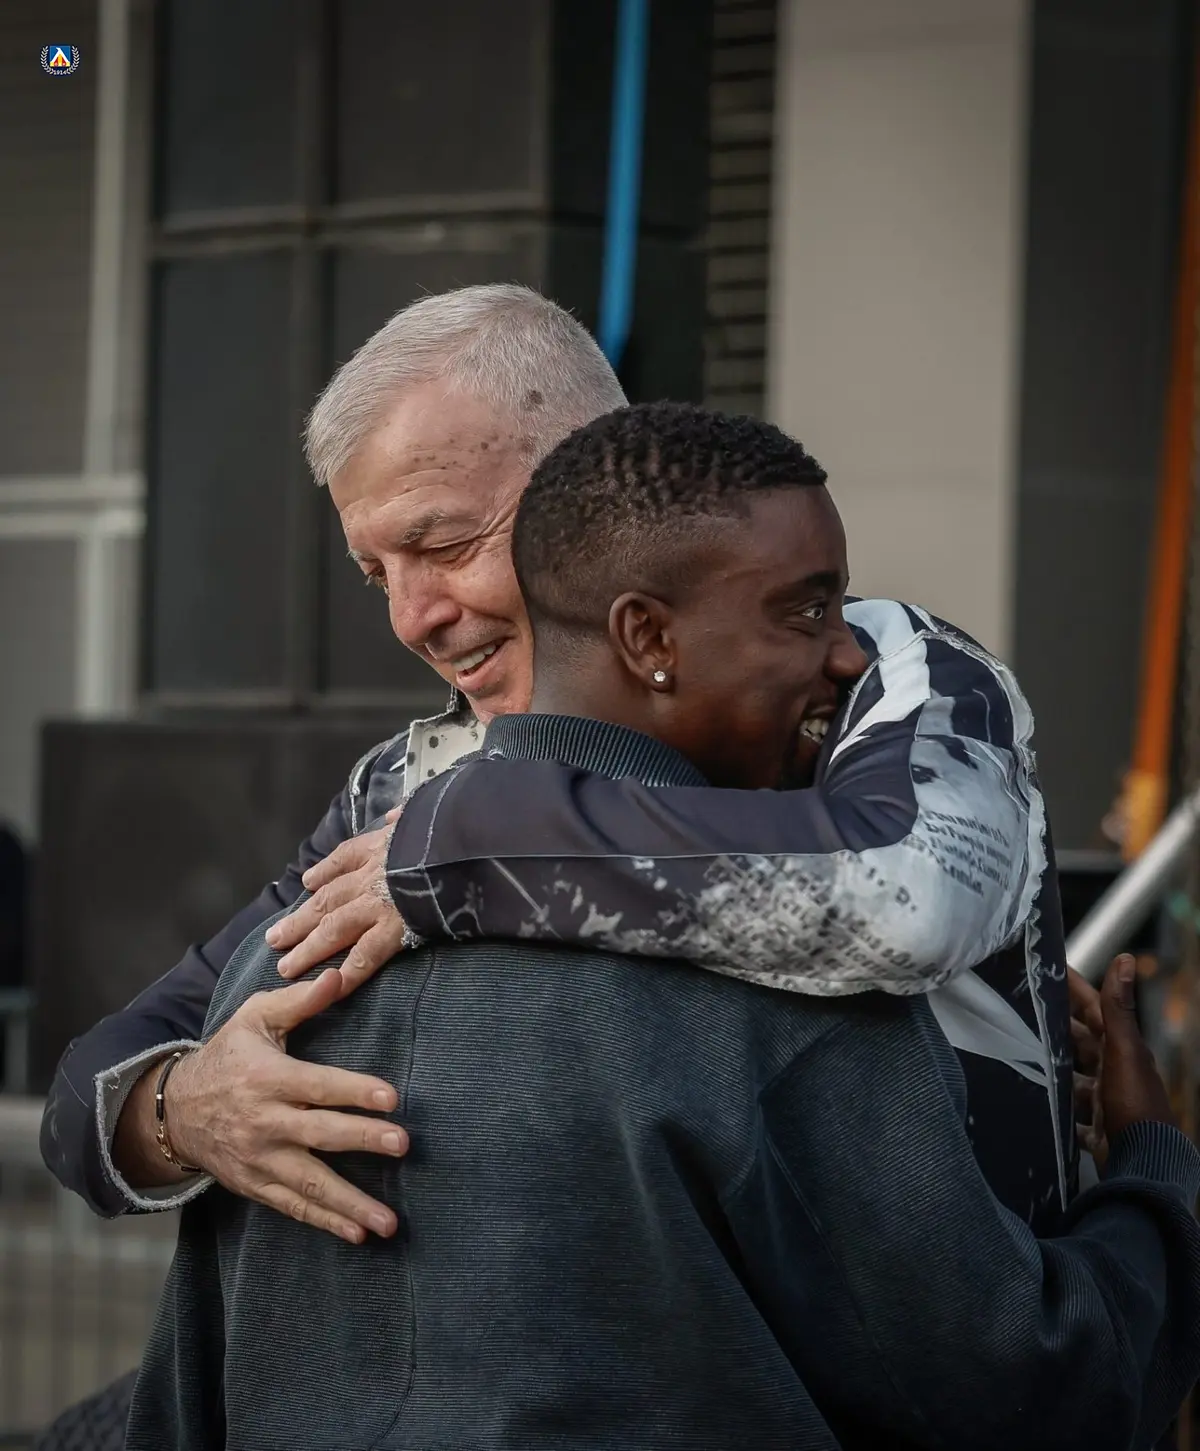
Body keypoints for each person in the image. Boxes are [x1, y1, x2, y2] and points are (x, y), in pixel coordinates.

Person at [126, 404, 1200, 1451]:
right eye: (805, 612)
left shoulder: (272, 983)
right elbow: (1038, 1389)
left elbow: (181, 1408)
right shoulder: (791, 980)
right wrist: (1153, 1168)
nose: (846, 656)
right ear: (647, 637)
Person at [42, 285, 1068, 1246]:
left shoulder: (870, 666)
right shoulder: (407, 783)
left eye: (445, 545)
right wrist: (187, 1110)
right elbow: (94, 1083)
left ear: (591, 497)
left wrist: (472, 850)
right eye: (376, 574)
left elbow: (914, 897)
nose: (411, 617)